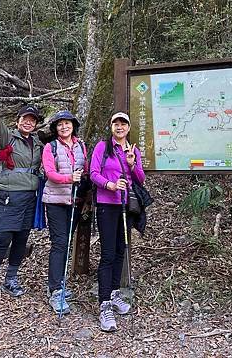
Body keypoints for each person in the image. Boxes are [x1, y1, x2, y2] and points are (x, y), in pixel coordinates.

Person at [0, 88, 43, 317]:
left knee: (22, 239)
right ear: (18, 121)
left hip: (29, 197)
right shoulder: (8, 138)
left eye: (32, 120)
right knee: (2, 238)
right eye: (25, 119)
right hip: (8, 195)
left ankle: (11, 278)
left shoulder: (37, 142)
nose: (28, 123)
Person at [89, 112, 145, 332]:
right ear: (111, 127)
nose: (119, 127)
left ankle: (113, 294)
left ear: (129, 127)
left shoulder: (133, 150)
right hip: (107, 205)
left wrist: (132, 164)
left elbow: (140, 179)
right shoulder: (103, 147)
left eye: (123, 124)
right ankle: (104, 304)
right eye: (116, 123)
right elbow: (93, 173)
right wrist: (109, 185)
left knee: (121, 251)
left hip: (126, 207)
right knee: (108, 254)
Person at [42, 110, 88, 315]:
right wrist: (70, 178)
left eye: (67, 123)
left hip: (75, 201)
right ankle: (55, 290)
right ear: (55, 128)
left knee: (67, 241)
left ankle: (60, 284)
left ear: (73, 126)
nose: (64, 127)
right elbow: (50, 174)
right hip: (56, 202)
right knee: (59, 243)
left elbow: (85, 170)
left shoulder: (81, 146)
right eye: (60, 124)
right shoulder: (50, 147)